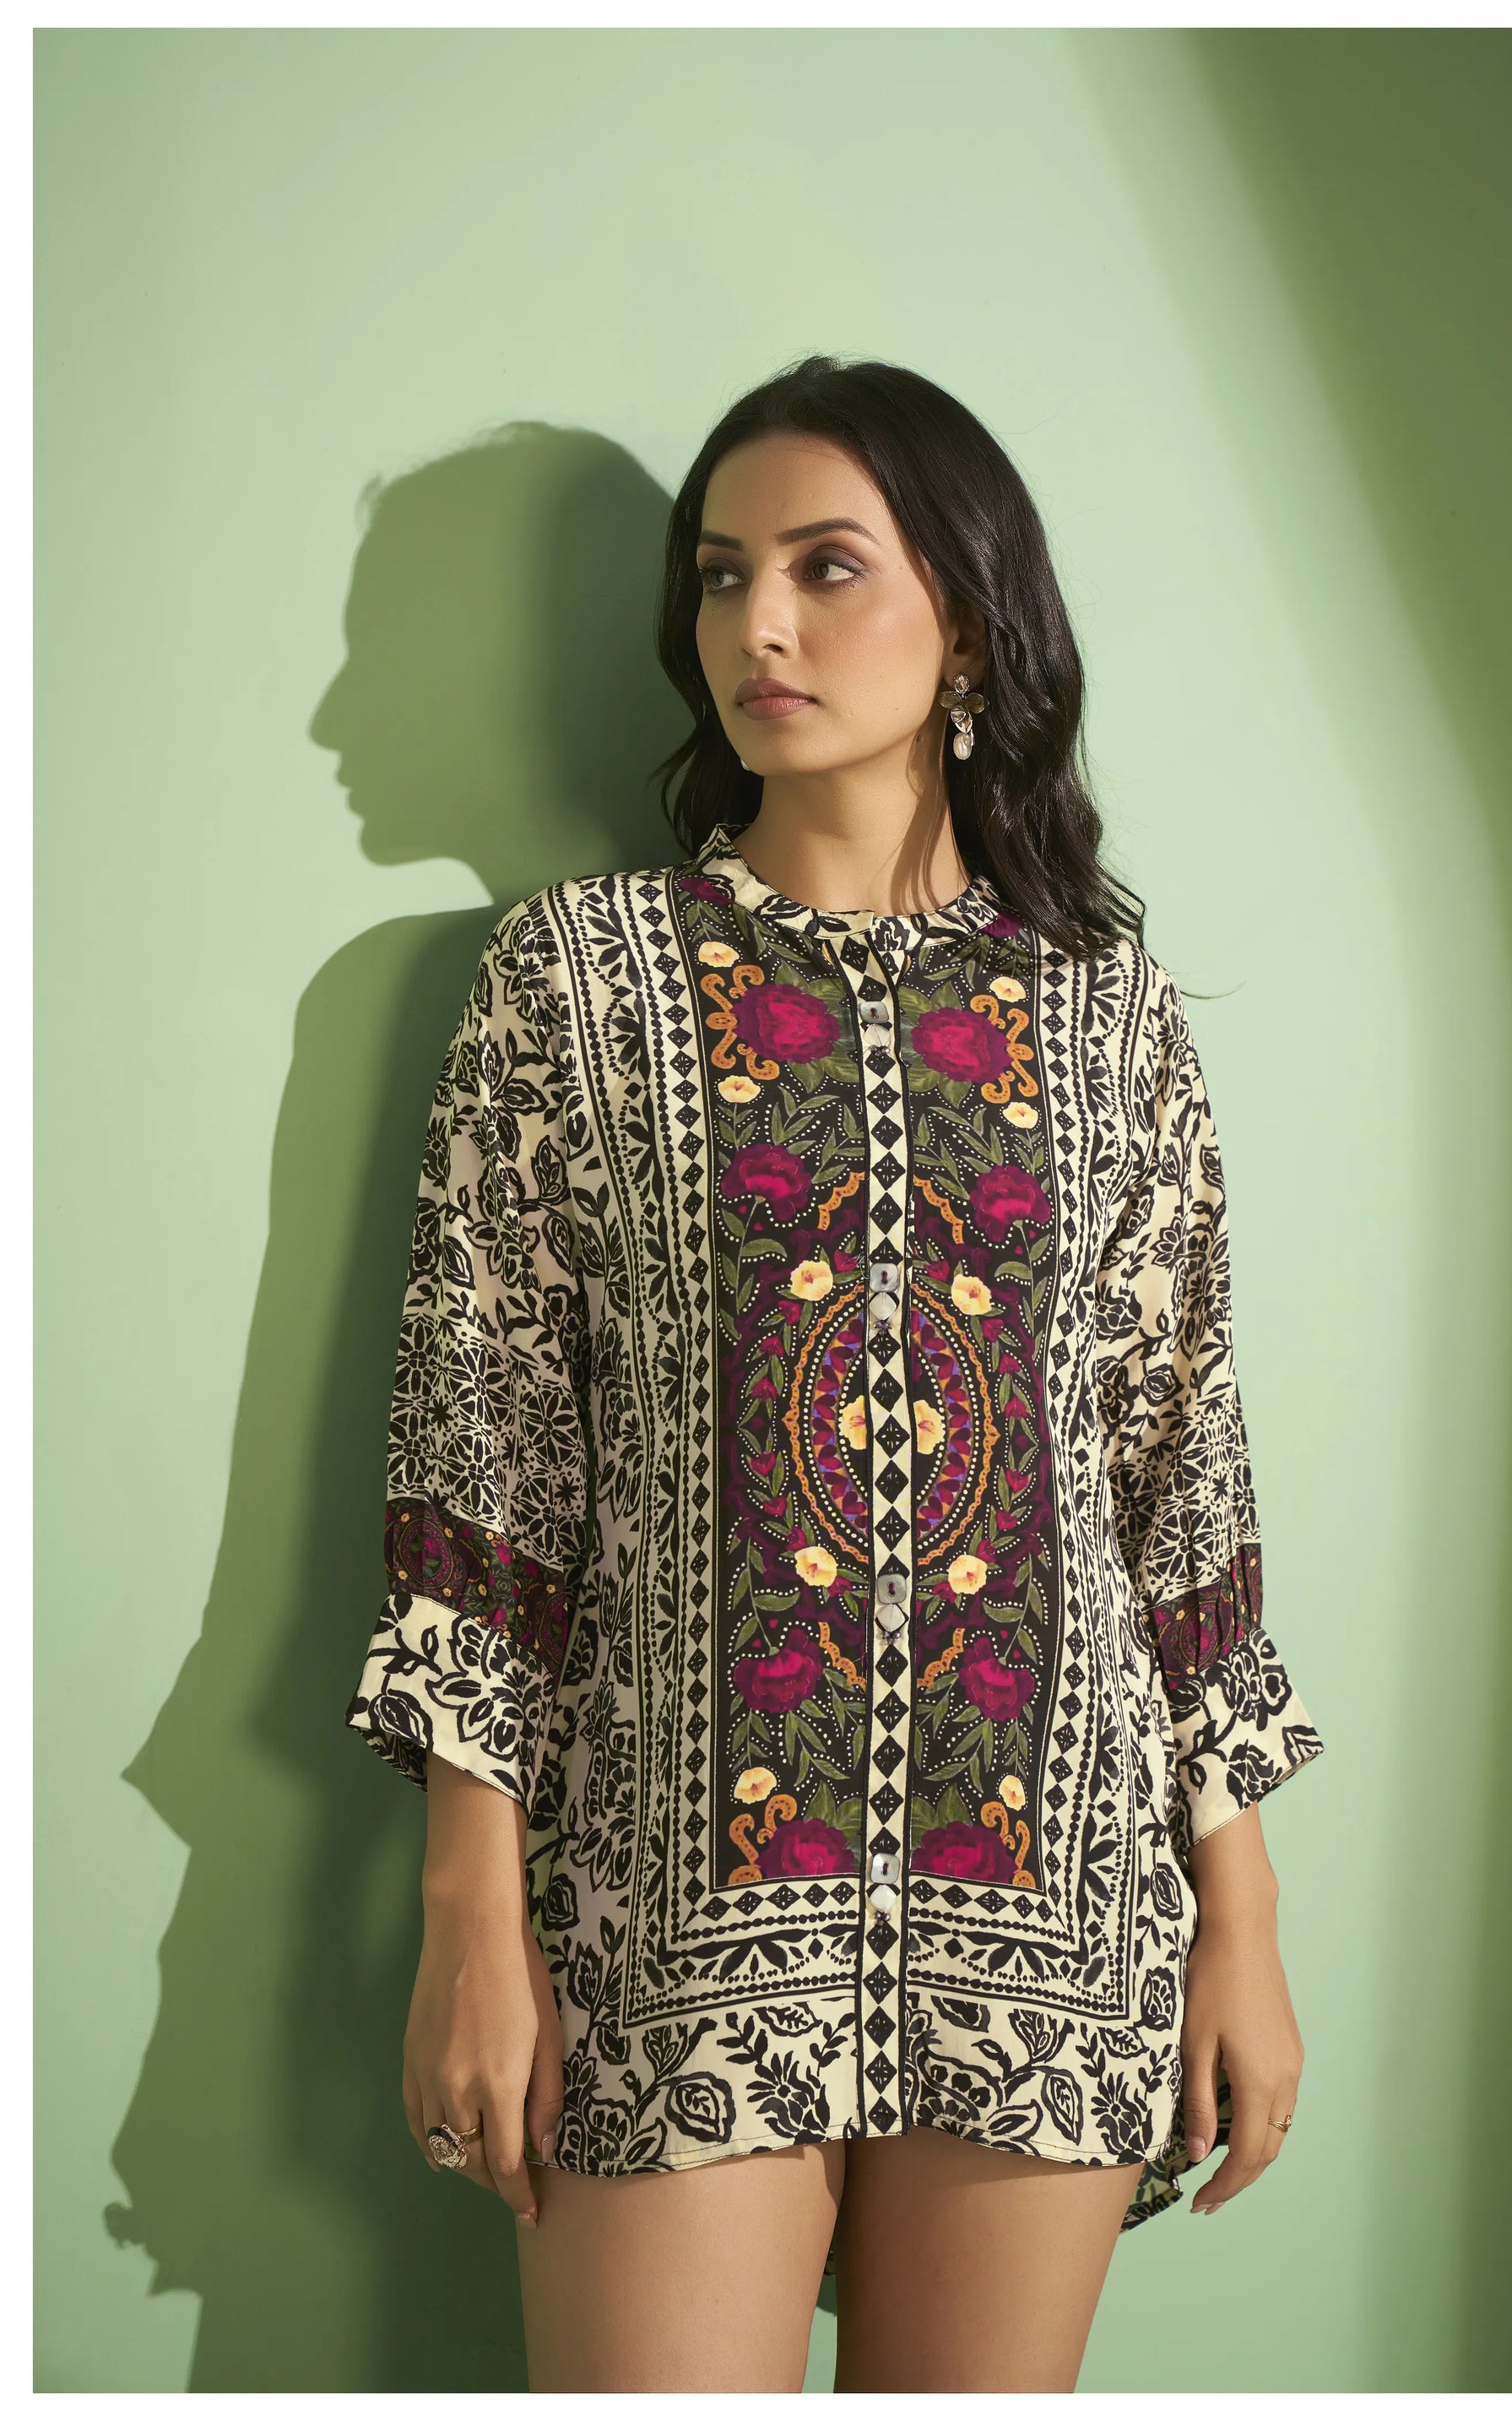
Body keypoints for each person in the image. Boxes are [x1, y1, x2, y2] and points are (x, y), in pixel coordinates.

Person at [346, 354, 1326, 2393]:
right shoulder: (576, 979)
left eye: (823, 567)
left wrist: (1239, 1918)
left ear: (966, 620)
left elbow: (1174, 1480)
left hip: (1055, 1917)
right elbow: (486, 1454)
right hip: (670, 1908)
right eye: (720, 576)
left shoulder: (1110, 1015)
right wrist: (468, 1910)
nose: (757, 627)